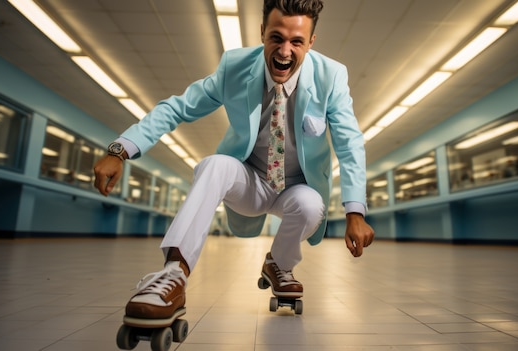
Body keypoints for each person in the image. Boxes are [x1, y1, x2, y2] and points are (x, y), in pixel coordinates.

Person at [93, 0, 374, 322]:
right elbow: (177, 108)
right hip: (249, 181)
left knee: (311, 206)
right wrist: (120, 150)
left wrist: (355, 210)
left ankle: (279, 265)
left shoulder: (331, 76)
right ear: (262, 33)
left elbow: (349, 142)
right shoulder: (235, 67)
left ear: (311, 41)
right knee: (214, 164)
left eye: (296, 41)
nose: (284, 51)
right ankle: (172, 275)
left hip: (297, 187)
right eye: (276, 38)